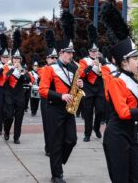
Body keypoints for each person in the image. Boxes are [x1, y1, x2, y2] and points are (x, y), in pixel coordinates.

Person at [100, 2, 138, 183]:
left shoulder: (134, 79)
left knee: (137, 178)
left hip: (130, 134)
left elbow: (134, 109)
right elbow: (124, 113)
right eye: (134, 58)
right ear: (124, 62)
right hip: (116, 136)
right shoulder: (116, 80)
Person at [39, 42, 83, 183]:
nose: (70, 55)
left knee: (72, 139)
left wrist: (79, 85)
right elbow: (43, 90)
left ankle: (57, 161)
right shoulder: (49, 68)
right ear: (61, 52)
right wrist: (60, 96)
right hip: (54, 108)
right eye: (68, 52)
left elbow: (72, 86)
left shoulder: (73, 68)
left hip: (69, 108)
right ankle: (56, 175)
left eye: (72, 53)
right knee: (56, 142)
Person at [79, 42, 105, 141]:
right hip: (88, 89)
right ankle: (87, 134)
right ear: (89, 52)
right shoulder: (84, 61)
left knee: (100, 110)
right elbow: (81, 74)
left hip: (99, 89)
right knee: (88, 112)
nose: (94, 53)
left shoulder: (102, 60)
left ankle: (97, 127)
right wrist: (90, 66)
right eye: (92, 51)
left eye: (96, 51)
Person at [4, 49, 27, 144]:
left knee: (19, 117)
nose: (17, 60)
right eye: (15, 58)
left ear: (21, 60)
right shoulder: (7, 67)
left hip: (20, 95)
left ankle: (16, 137)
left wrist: (22, 71)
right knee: (9, 116)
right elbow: (6, 76)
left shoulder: (23, 68)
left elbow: (28, 79)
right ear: (12, 59)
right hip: (9, 94)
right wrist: (13, 67)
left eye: (18, 59)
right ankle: (6, 131)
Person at [40, 47, 58, 157]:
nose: (54, 60)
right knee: (48, 125)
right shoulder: (43, 69)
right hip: (46, 100)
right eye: (51, 57)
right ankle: (48, 147)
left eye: (55, 57)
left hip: (57, 99)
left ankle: (56, 146)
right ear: (47, 59)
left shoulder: (60, 69)